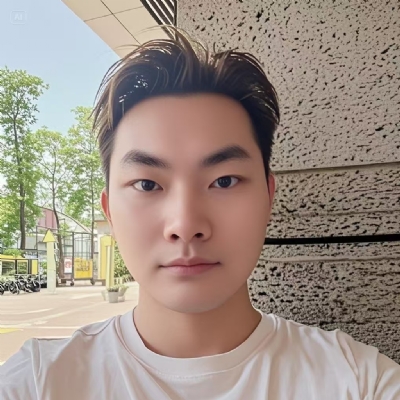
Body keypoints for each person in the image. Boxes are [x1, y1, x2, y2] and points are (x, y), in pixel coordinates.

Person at [1, 29, 399, 400]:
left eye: (224, 181)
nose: (186, 225)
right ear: (110, 211)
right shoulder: (40, 382)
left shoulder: (358, 382)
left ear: (268, 197)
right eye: (147, 184)